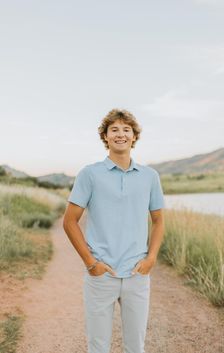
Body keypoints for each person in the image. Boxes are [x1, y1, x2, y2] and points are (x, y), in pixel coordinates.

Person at [63, 108, 165, 353]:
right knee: (98, 347)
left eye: (126, 130)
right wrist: (91, 263)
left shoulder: (150, 176)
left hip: (137, 274)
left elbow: (158, 221)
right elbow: (69, 221)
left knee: (135, 347)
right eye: (114, 129)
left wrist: (151, 259)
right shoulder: (90, 174)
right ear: (105, 137)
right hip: (102, 274)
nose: (121, 134)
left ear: (134, 137)